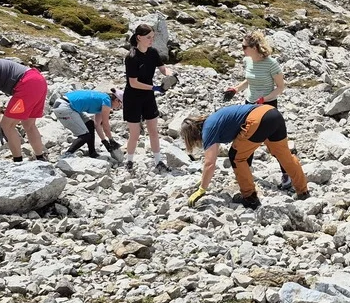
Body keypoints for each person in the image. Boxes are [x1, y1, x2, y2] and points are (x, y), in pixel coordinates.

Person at [180, 104, 309, 210]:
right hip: (272, 113)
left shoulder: (208, 130)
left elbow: (209, 163)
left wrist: (202, 189)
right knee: (283, 155)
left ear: (193, 135)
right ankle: (303, 192)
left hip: (258, 120)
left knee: (236, 157)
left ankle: (250, 198)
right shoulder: (213, 120)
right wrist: (203, 179)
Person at [223, 31, 292, 188]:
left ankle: (287, 174)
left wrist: (264, 99)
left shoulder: (271, 63)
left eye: (244, 46)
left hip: (267, 107)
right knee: (246, 139)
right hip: (249, 104)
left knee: (275, 143)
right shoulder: (248, 60)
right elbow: (249, 80)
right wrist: (235, 89)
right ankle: (246, 170)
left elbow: (281, 87)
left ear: (255, 47)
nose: (242, 50)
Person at [124, 24, 174, 173]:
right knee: (135, 133)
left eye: (153, 37)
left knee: (153, 130)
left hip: (148, 97)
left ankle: (158, 161)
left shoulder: (153, 53)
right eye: (148, 37)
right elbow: (133, 83)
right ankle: (129, 161)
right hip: (133, 98)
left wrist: (170, 74)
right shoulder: (131, 57)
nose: (151, 40)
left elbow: (163, 68)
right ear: (139, 37)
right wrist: (154, 88)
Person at [52, 88, 123, 162]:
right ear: (116, 100)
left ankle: (92, 153)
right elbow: (105, 125)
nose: (118, 107)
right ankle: (67, 155)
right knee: (85, 135)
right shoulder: (107, 101)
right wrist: (111, 140)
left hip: (67, 105)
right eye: (120, 105)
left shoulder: (103, 99)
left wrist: (104, 141)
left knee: (90, 125)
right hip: (65, 107)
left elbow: (97, 125)